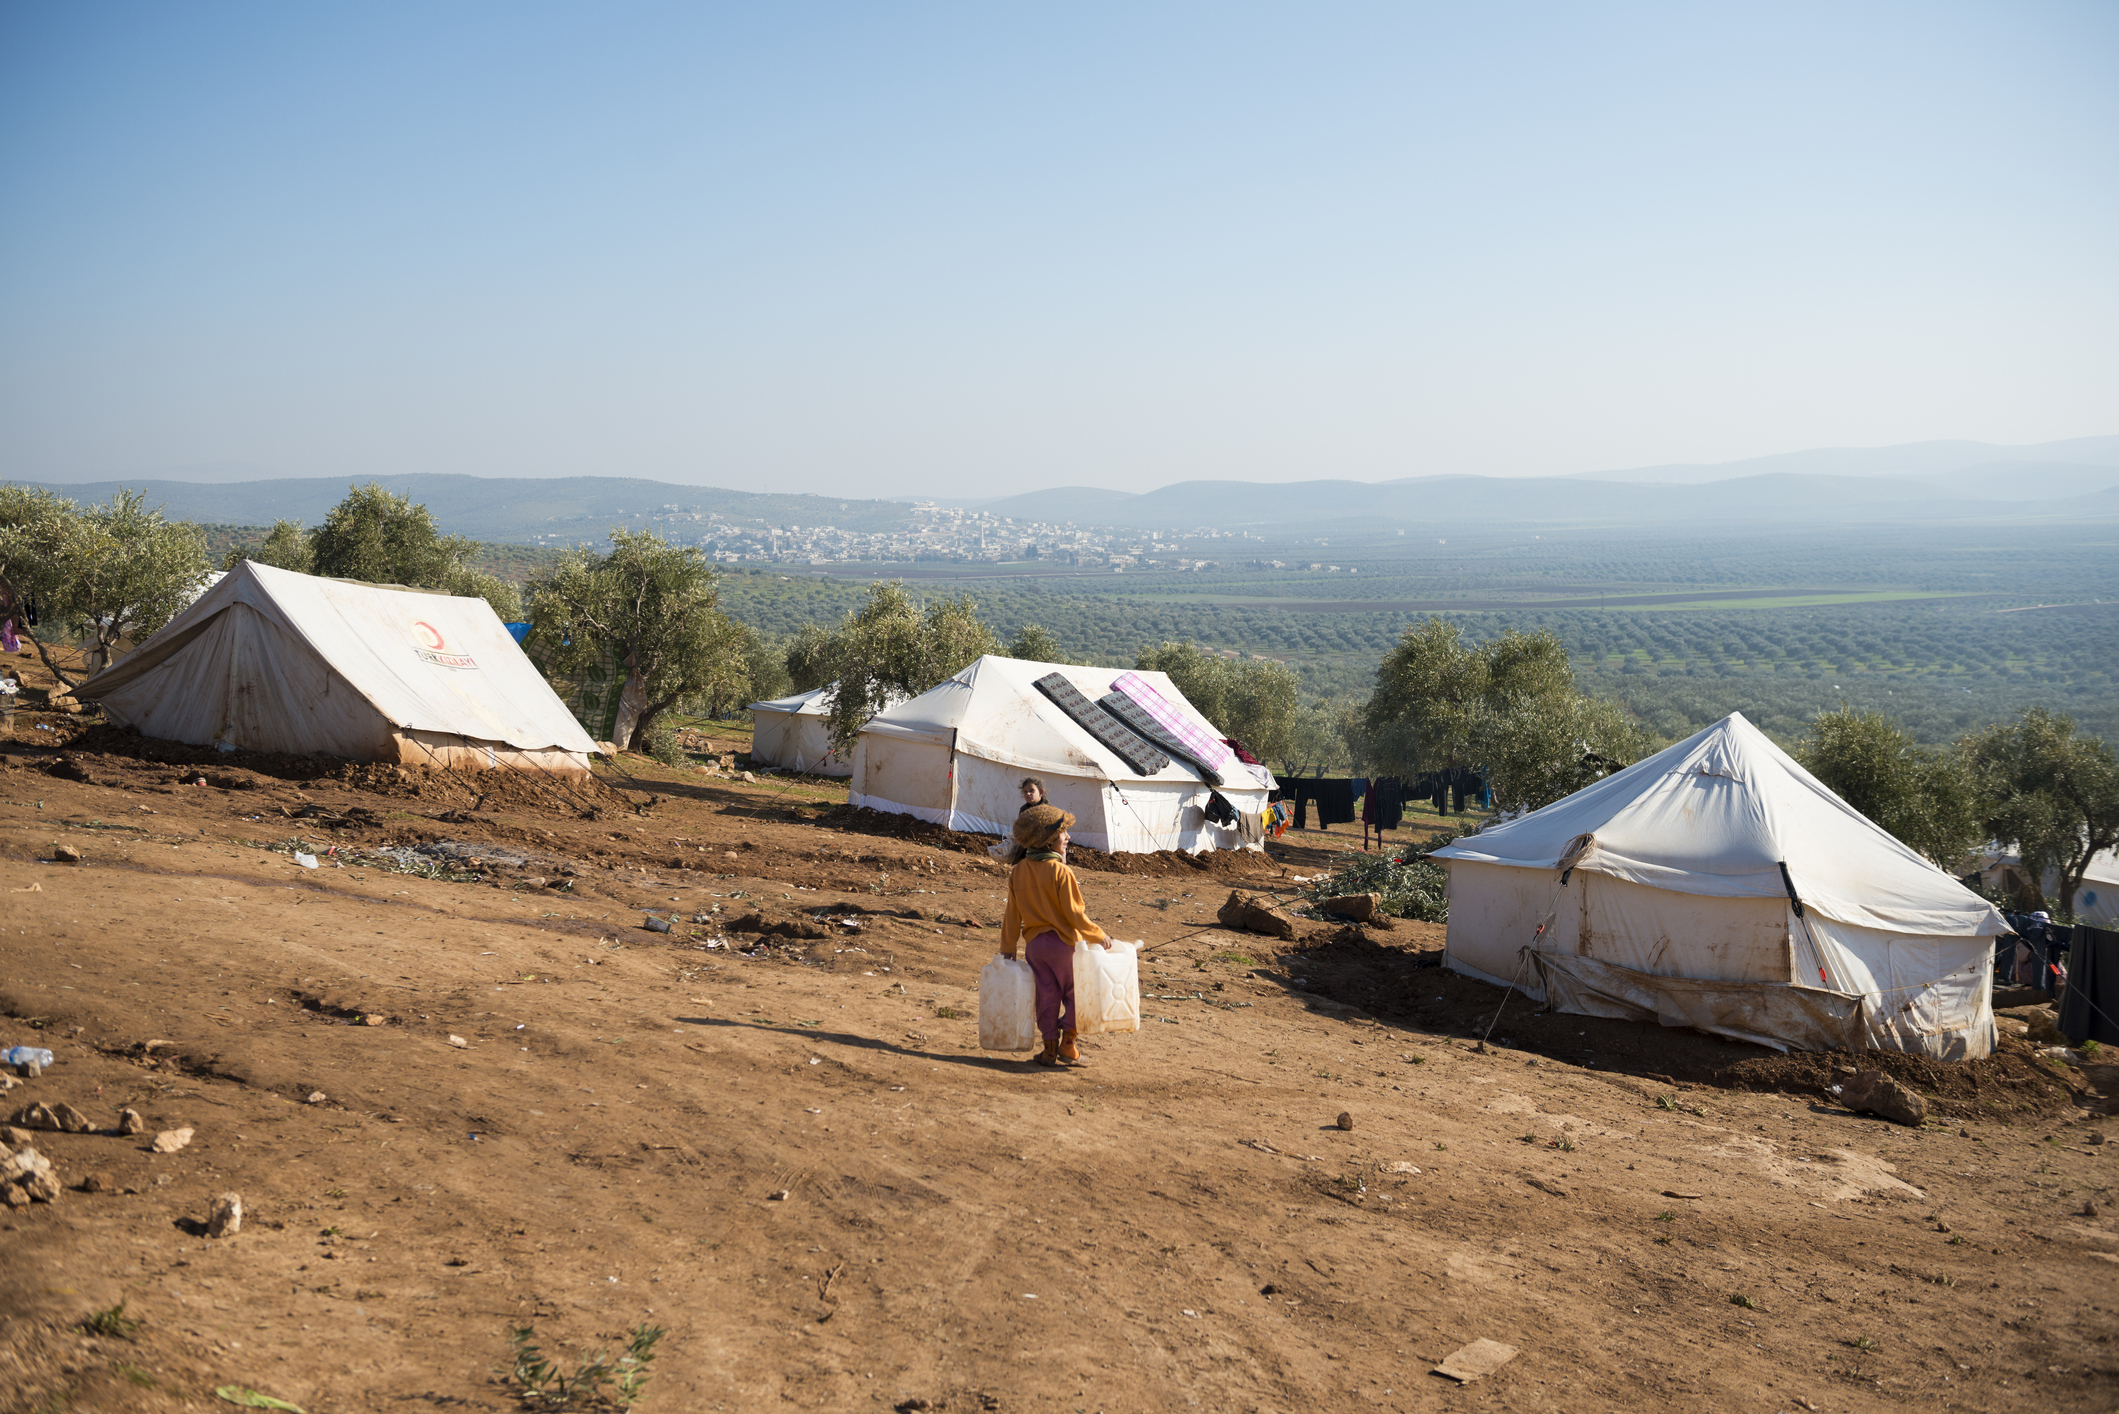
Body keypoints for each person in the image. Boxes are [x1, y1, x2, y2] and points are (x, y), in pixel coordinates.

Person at [999, 803, 1111, 1068]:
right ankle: (1069, 1045)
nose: (1068, 838)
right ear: (1049, 839)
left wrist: (1008, 947)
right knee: (1078, 994)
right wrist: (1099, 935)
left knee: (1046, 996)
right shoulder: (1062, 872)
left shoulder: (1018, 872)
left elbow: (1012, 915)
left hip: (1036, 948)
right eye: (1063, 833)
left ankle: (1049, 1048)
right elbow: (1075, 915)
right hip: (1064, 946)